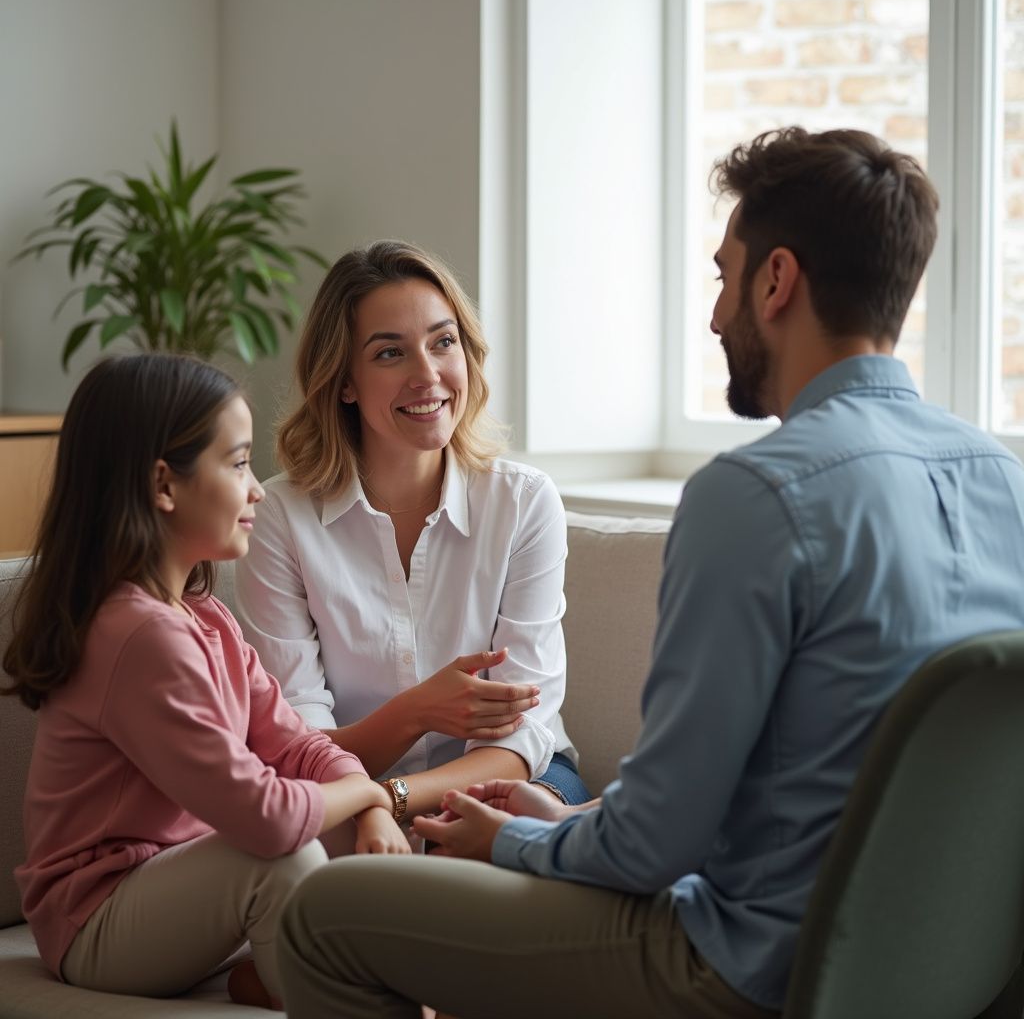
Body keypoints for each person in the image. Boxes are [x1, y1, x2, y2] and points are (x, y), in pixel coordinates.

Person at [273, 127, 1024, 1019]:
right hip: (948, 970)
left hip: (745, 965)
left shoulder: (753, 496)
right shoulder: (1005, 480)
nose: (713, 316)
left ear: (776, 282)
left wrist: (515, 842)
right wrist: (571, 826)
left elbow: (657, 845)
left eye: (722, 275)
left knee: (319, 917)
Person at [3, 355, 408, 1011]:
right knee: (285, 859)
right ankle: (345, 993)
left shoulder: (205, 616)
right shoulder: (136, 636)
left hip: (180, 886)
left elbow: (296, 744)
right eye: (240, 462)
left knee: (372, 840)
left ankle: (325, 979)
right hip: (95, 922)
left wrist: (369, 808)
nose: (259, 491)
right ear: (164, 485)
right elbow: (267, 818)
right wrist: (367, 790)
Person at [234, 239, 588, 829]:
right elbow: (298, 743)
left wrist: (389, 799)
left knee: (509, 826)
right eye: (390, 353)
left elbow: (521, 733)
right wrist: (415, 713)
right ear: (344, 380)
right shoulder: (279, 519)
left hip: (510, 777)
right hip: (345, 791)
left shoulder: (524, 503)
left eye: (442, 342)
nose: (428, 376)